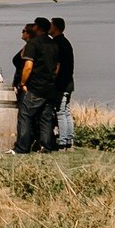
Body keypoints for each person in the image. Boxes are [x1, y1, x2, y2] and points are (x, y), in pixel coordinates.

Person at [16, 17, 63, 152]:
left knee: (25, 115)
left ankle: (22, 147)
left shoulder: (33, 43)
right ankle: (46, 146)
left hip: (35, 86)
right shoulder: (54, 44)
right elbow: (57, 66)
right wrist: (52, 78)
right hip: (49, 86)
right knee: (46, 117)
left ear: (37, 27)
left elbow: (28, 66)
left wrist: (23, 82)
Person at [52, 17, 77, 148]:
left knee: (61, 112)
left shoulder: (57, 43)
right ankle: (69, 139)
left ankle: (62, 141)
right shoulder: (65, 42)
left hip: (61, 83)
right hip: (69, 82)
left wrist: (53, 79)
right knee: (66, 111)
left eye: (51, 25)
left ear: (55, 27)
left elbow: (58, 65)